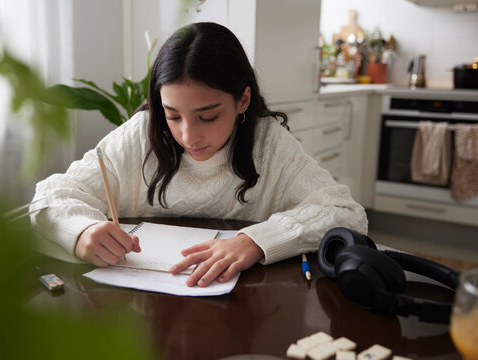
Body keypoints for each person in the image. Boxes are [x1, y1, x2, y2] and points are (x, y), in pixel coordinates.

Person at [30, 22, 367, 288]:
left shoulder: (269, 144)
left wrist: (257, 240)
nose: (188, 135)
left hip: (241, 303)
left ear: (243, 100)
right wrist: (81, 231)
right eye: (172, 115)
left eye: (207, 116)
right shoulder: (140, 133)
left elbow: (346, 213)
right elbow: (50, 197)